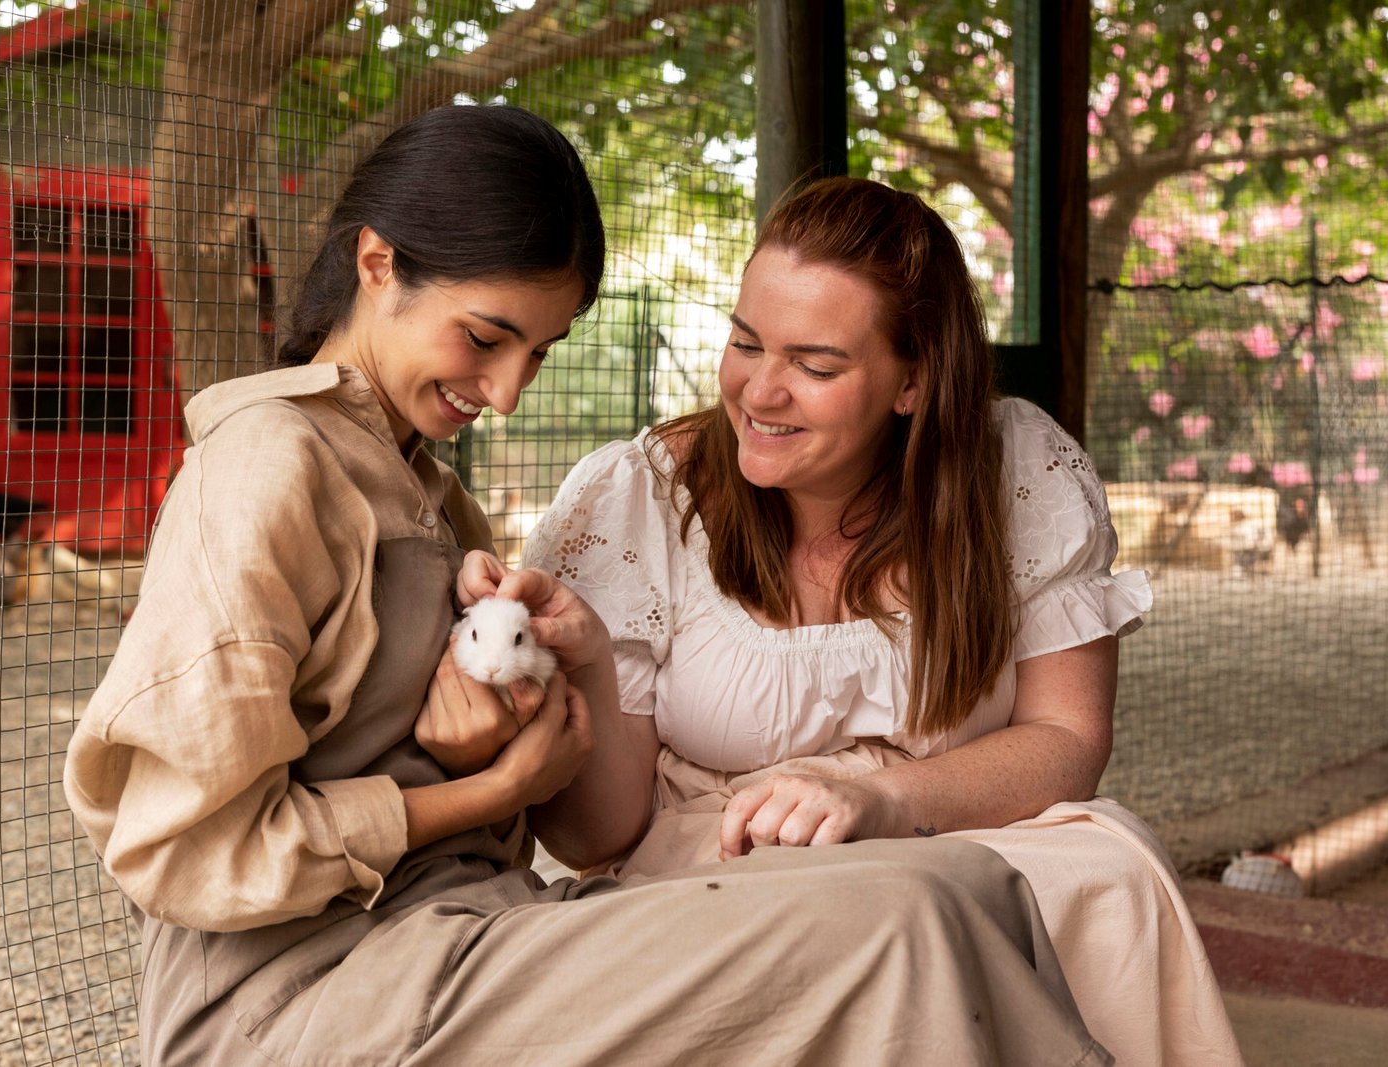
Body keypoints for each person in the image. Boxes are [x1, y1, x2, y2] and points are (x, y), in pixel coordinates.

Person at [64, 108, 1113, 1065]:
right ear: (376, 264)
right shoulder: (263, 466)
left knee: (958, 883)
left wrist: (495, 732)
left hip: (475, 930)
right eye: (485, 336)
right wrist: (488, 790)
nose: (508, 391)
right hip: (301, 992)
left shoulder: (434, 498)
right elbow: (183, 851)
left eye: (539, 350)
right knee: (899, 924)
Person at [519, 176, 1246, 1067]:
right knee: (870, 916)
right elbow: (598, 838)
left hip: (959, 821)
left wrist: (884, 799)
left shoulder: (1016, 467)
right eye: (746, 342)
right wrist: (587, 665)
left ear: (913, 381)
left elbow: (1068, 738)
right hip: (725, 849)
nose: (760, 390)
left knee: (1114, 873)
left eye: (816, 366)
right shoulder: (641, 495)